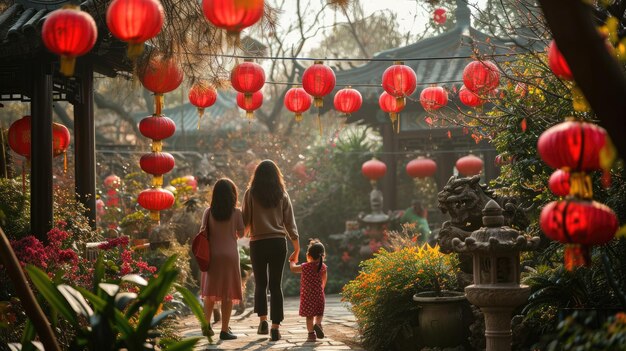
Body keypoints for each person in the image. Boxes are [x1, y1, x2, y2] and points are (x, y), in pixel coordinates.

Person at [242, 160, 300, 341]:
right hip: (278, 243)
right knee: (276, 285)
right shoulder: (282, 194)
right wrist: (296, 248)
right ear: (277, 175)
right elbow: (290, 224)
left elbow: (244, 222)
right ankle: (276, 327)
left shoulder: (250, 194)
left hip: (258, 243)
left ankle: (263, 321)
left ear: (256, 175)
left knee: (261, 283)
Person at [199, 178, 244, 341]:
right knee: (228, 293)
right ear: (232, 194)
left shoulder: (208, 212)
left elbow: (203, 232)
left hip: (212, 256)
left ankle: (206, 325)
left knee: (210, 293)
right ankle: (224, 330)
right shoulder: (237, 212)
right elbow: (242, 233)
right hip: (230, 257)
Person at [289, 239, 327, 342]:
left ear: (309, 255)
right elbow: (324, 281)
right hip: (319, 295)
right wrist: (320, 290)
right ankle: (318, 324)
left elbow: (293, 269)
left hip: (307, 296)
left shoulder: (305, 267)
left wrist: (291, 261)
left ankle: (311, 334)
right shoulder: (323, 267)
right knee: (319, 313)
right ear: (323, 256)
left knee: (309, 316)